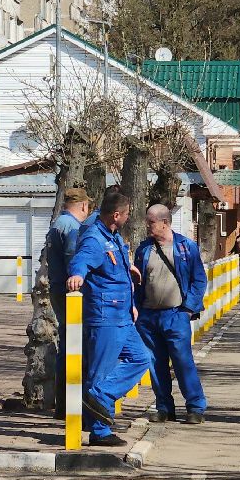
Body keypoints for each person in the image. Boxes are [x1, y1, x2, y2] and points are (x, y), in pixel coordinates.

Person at [67, 190, 152, 446]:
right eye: (126, 214)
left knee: (141, 358)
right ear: (116, 215)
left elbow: (113, 266)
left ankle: (98, 397)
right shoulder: (94, 238)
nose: (128, 218)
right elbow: (81, 261)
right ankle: (99, 431)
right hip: (105, 316)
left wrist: (130, 269)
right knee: (100, 373)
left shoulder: (112, 236)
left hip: (123, 315)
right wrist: (77, 275)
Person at [134, 204, 208, 424]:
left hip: (176, 315)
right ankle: (164, 407)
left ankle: (195, 407)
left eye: (151, 222)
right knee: (155, 364)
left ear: (164, 222)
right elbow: (137, 282)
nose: (147, 226)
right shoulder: (144, 249)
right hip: (148, 317)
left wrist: (187, 310)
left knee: (183, 361)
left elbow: (199, 280)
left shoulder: (186, 247)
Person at [46, 187, 93, 420]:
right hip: (68, 293)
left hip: (56, 289)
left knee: (67, 345)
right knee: (74, 348)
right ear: (83, 206)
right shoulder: (72, 227)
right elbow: (74, 264)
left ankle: (64, 404)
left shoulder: (58, 223)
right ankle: (70, 406)